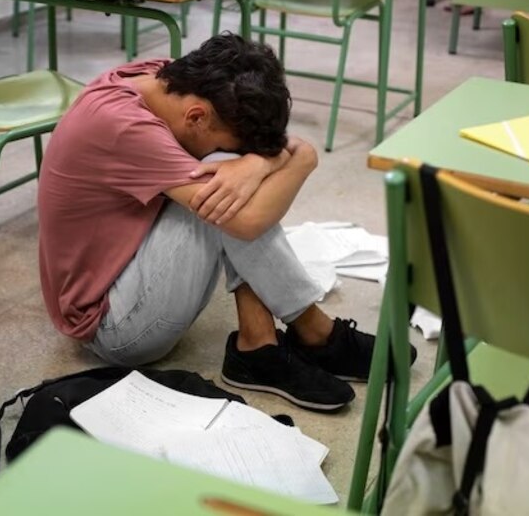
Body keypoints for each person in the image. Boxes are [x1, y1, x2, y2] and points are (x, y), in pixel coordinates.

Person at [38, 33, 412, 412]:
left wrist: (256, 161)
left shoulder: (167, 80)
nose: (241, 155)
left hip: (129, 264)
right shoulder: (124, 127)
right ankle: (314, 333)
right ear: (196, 116)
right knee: (222, 185)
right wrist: (302, 157)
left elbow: (252, 168)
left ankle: (259, 344)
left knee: (226, 177)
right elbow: (247, 223)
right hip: (111, 326)